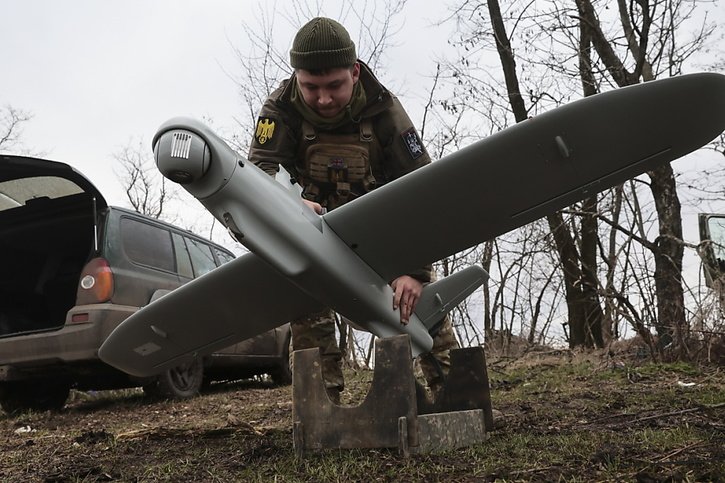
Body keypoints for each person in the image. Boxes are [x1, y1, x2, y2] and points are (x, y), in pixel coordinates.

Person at [248, 17, 457, 403]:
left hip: (382, 231)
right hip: (316, 232)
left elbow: (427, 190)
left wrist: (415, 271)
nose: (323, 99)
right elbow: (257, 173)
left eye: (334, 86)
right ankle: (321, 409)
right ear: (296, 77)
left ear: (355, 72)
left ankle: (456, 395)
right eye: (311, 87)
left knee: (421, 306)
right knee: (306, 308)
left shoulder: (384, 110)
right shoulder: (280, 109)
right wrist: (288, 205)